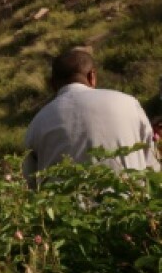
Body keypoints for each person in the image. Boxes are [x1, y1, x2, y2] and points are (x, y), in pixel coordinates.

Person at [23, 47, 160, 188]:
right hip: (130, 205)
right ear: (92, 76)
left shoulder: (38, 122)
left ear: (52, 84)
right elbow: (152, 165)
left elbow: (32, 181)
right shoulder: (129, 103)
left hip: (66, 209)